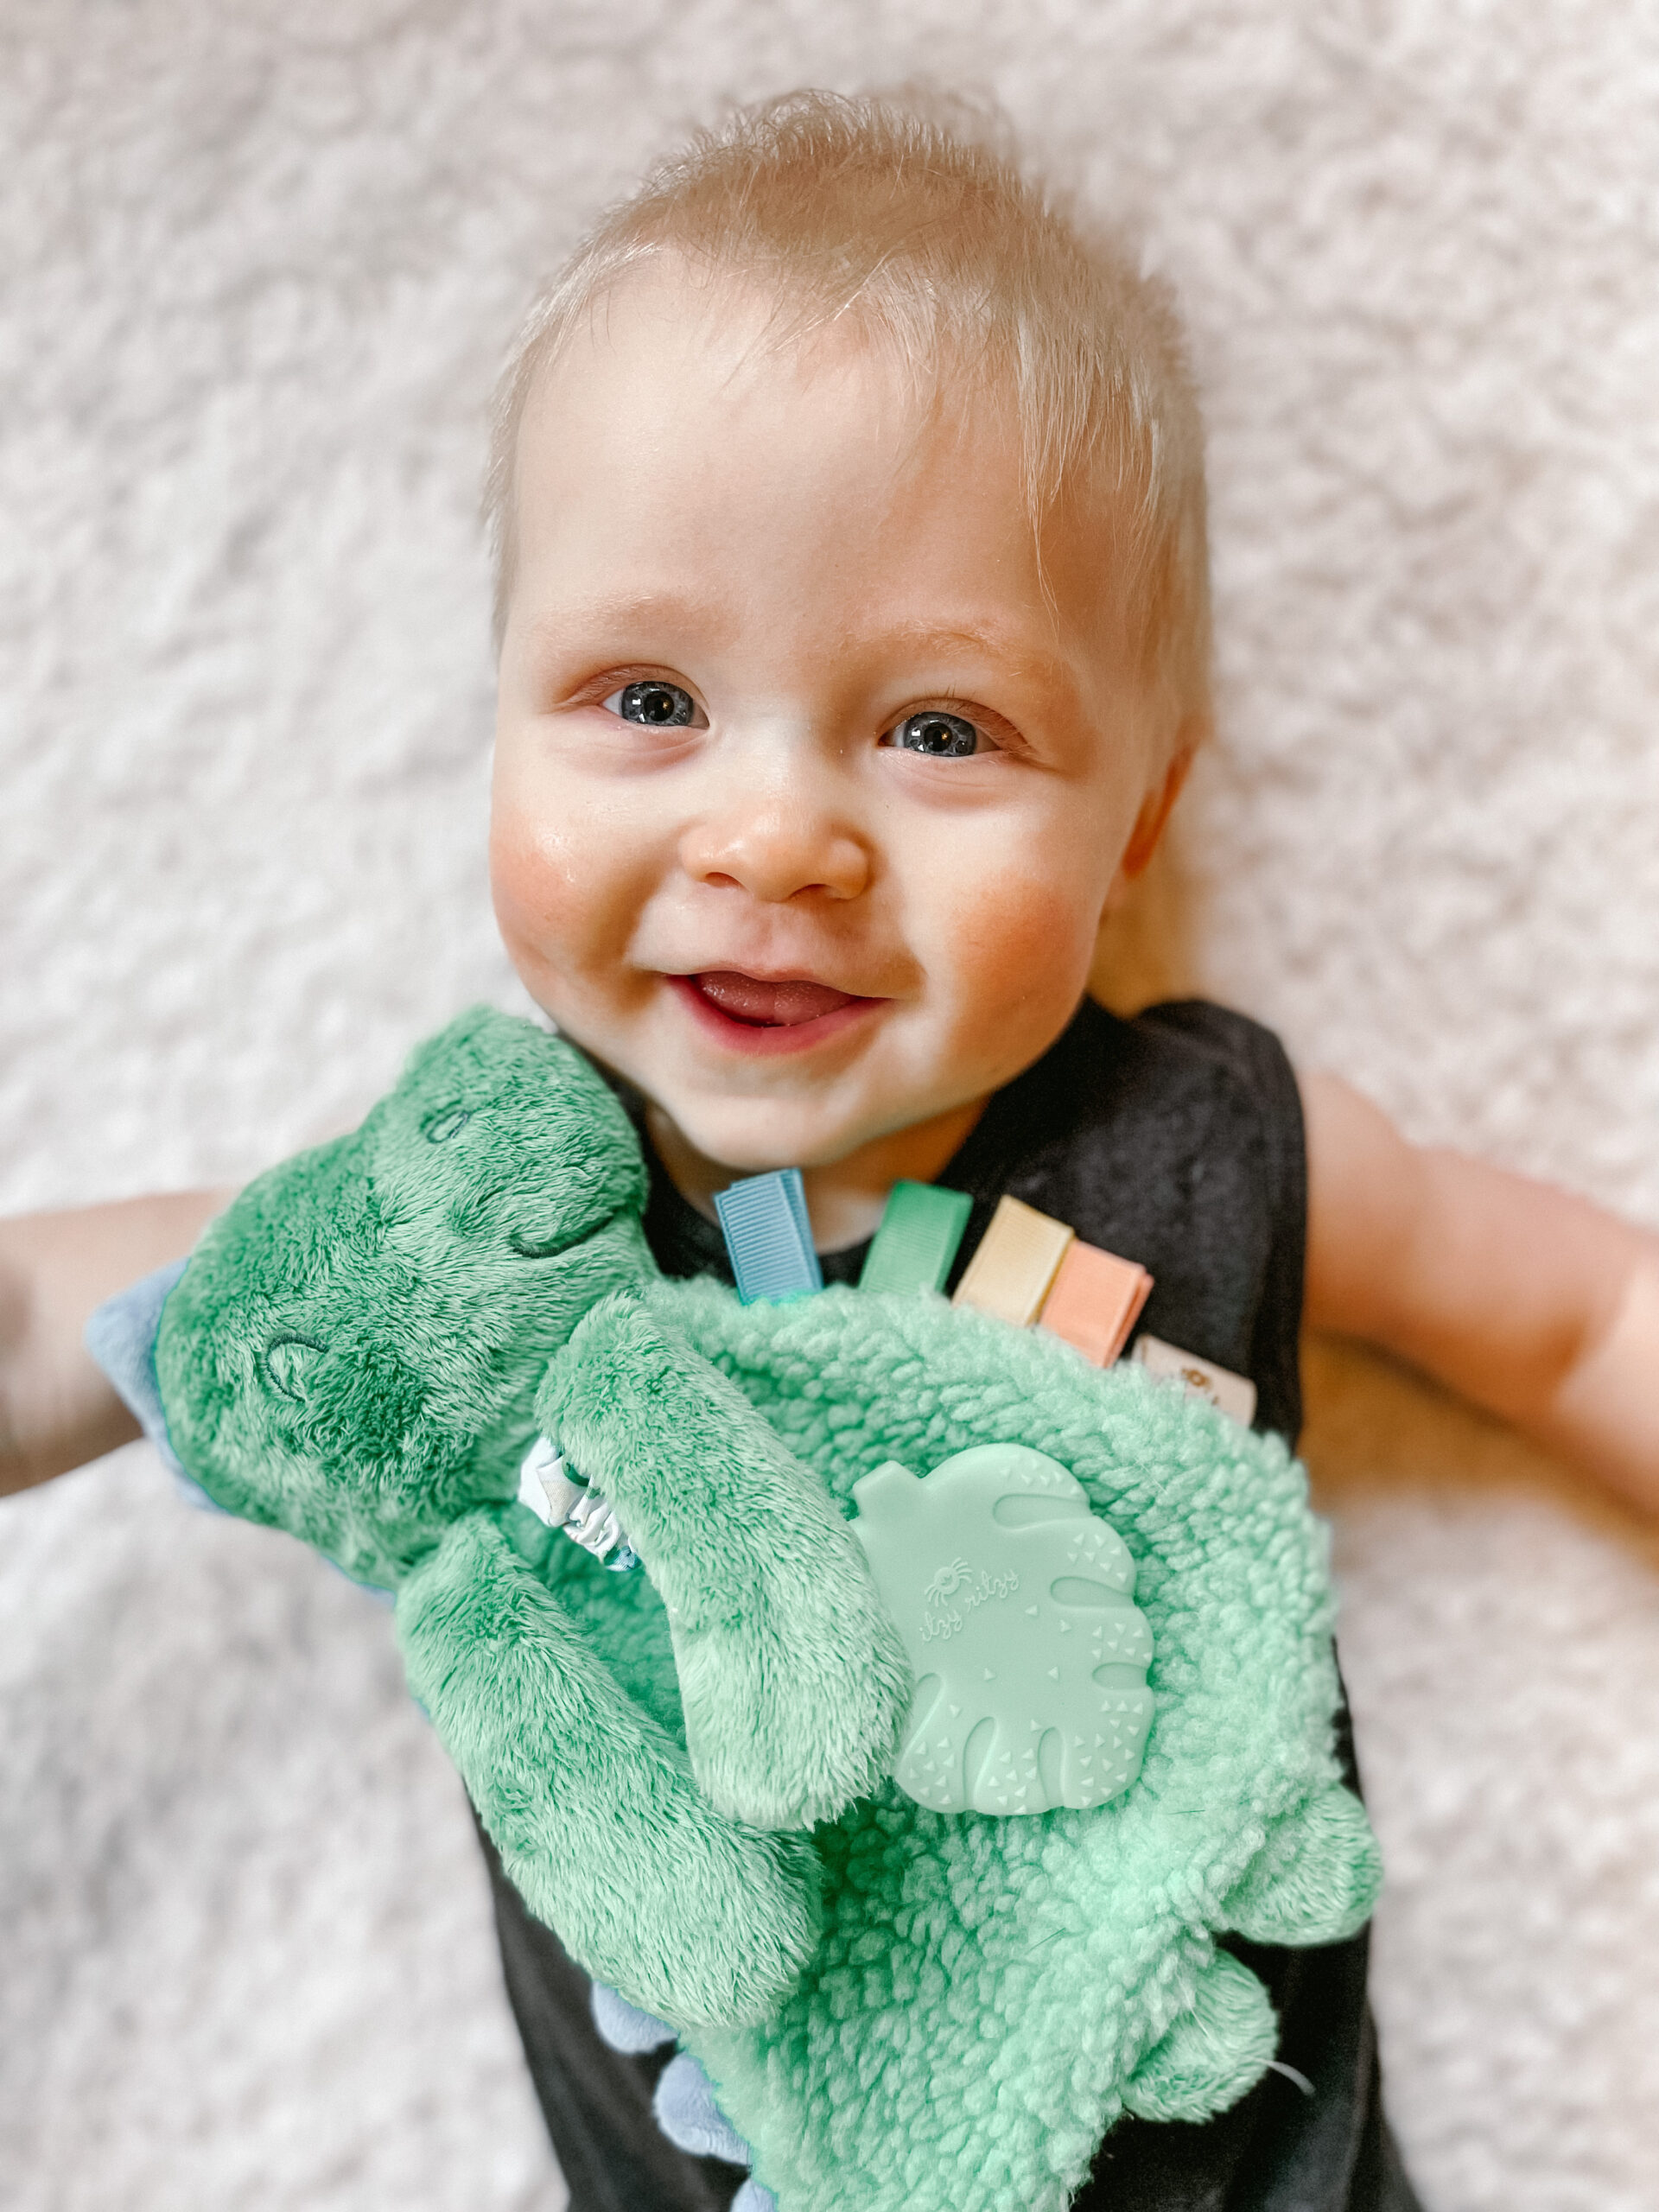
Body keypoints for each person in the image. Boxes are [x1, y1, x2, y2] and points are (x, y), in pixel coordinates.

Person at [3, 89, 1656, 2212]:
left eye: (941, 730)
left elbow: (1584, 1306)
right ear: (496, 713)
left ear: (1137, 818)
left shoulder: (1206, 1139)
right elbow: (70, 1302)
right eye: (647, 697)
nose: (775, 835)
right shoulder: (479, 1215)